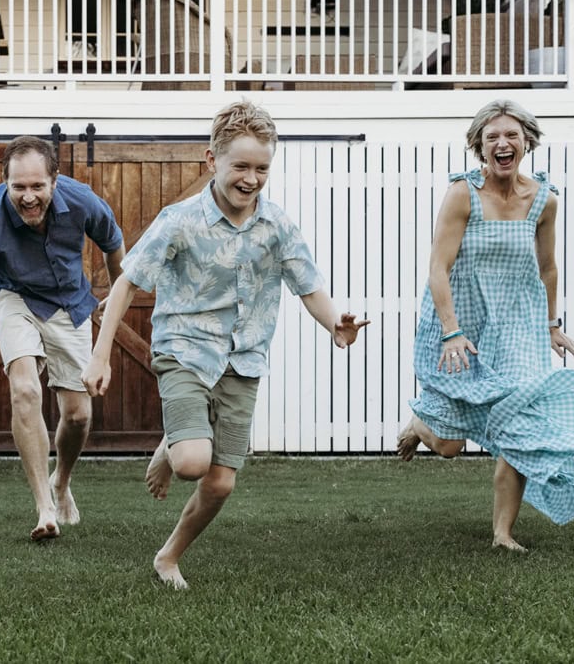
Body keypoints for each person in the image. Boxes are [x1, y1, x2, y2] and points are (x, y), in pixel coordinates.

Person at [82, 101, 369, 589]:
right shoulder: (180, 221)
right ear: (211, 160)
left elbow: (308, 285)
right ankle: (176, 445)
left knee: (221, 483)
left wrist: (333, 325)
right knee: (194, 462)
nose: (251, 179)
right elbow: (127, 284)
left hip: (244, 359)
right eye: (241, 166)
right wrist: (100, 354)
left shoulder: (276, 227)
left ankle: (167, 556)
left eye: (262, 169)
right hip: (185, 350)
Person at [396, 99, 574, 552]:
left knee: (518, 422)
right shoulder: (462, 194)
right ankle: (420, 424)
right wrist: (452, 330)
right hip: (463, 322)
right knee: (450, 445)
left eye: (511, 134)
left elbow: (547, 268)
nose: (502, 143)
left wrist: (552, 326)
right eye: (492, 136)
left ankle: (502, 533)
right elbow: (439, 266)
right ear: (479, 147)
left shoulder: (544, 201)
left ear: (526, 141)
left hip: (519, 327)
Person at [0, 135, 125, 541]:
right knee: (25, 389)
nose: (28, 197)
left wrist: (114, 307)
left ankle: (61, 481)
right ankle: (44, 508)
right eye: (18, 187)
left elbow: (115, 249)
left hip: (68, 300)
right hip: (10, 295)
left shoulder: (82, 202)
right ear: (5, 182)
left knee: (79, 414)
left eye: (37, 187)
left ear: (55, 180)